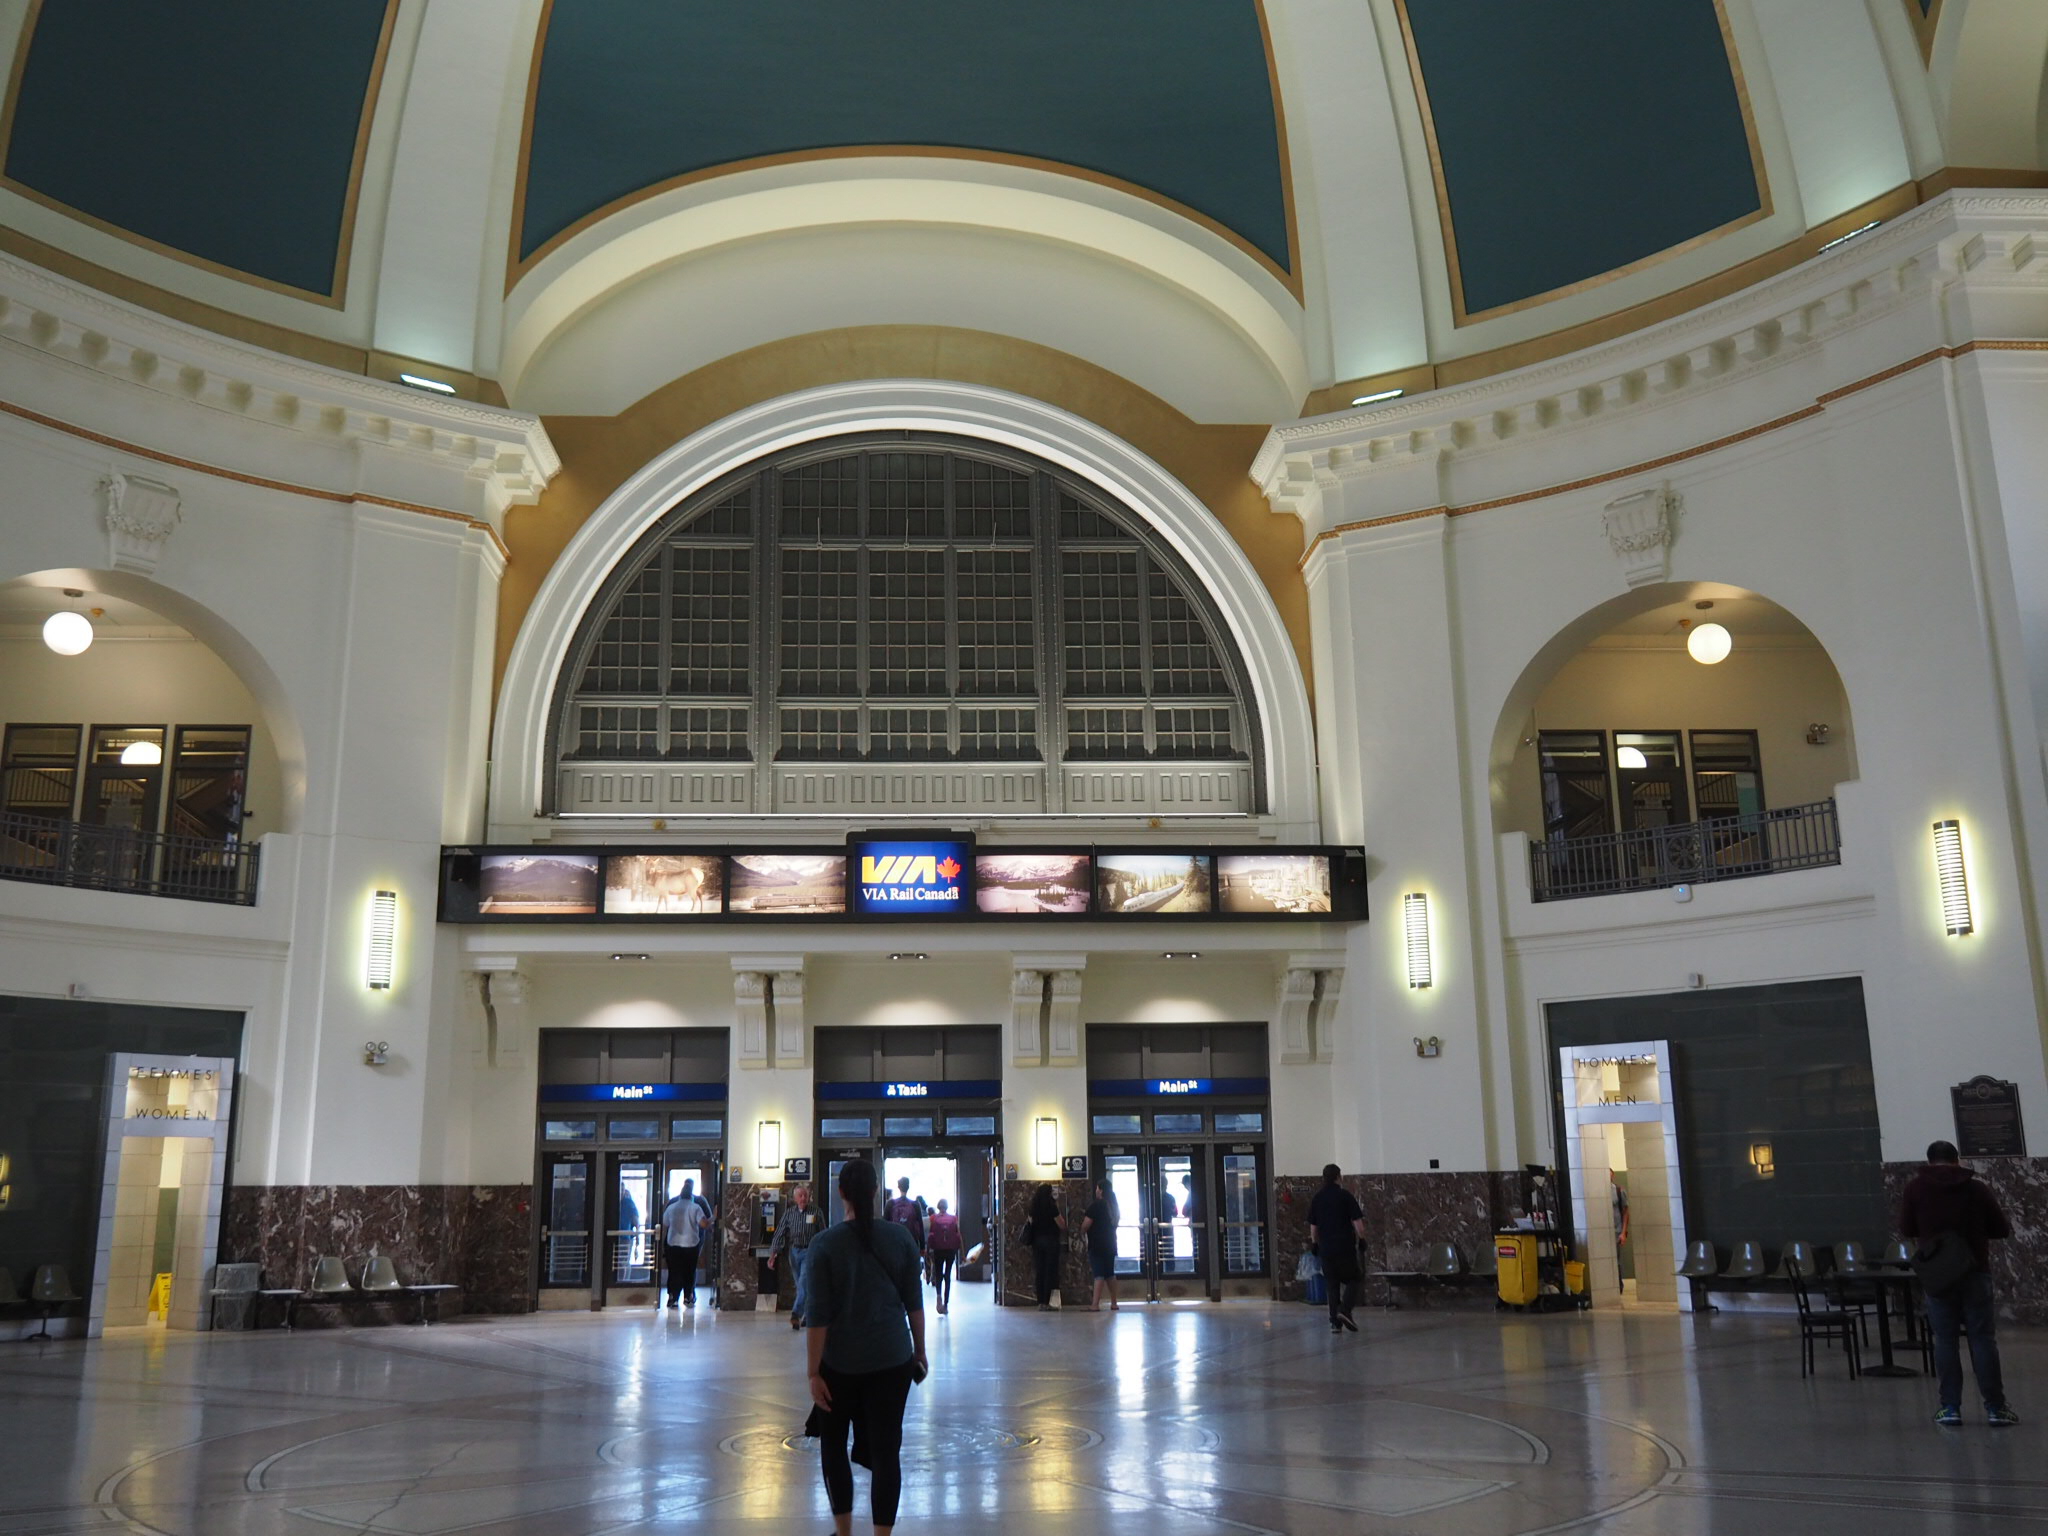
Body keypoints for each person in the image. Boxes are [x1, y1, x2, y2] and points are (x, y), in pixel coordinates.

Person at [805, 1158, 926, 1536]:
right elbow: (914, 1304)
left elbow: (817, 1317)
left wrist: (813, 1372)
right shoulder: (900, 1239)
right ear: (877, 1193)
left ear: (841, 1193)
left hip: (839, 1365)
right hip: (892, 1360)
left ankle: (844, 1532)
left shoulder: (824, 1245)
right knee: (887, 1452)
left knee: (834, 1448)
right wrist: (919, 1353)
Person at [1899, 1139, 2020, 1426]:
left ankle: (1950, 1408)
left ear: (1929, 1161)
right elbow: (2000, 1229)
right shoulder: (1975, 1189)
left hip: (1938, 1276)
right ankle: (1996, 1408)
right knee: (1982, 1339)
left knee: (1945, 1339)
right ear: (1957, 1159)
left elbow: (1906, 1228)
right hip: (1975, 1270)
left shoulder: (1915, 1189)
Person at [1308, 1163, 1364, 1334]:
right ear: (1339, 1177)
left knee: (1332, 1284)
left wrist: (1314, 1243)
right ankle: (1345, 1310)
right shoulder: (1345, 1196)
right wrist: (1362, 1239)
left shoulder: (1317, 1198)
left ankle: (1334, 1323)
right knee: (1355, 1278)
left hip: (1326, 1248)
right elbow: (1357, 1222)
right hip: (1344, 1246)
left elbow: (1313, 1226)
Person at [768, 1182, 821, 1331]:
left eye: (805, 1195)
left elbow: (823, 1233)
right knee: (801, 1286)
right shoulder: (789, 1213)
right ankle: (808, 1315)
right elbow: (779, 1233)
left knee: (804, 1283)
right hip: (794, 1252)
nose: (803, 1198)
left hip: (810, 1252)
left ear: (809, 1197)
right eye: (800, 1195)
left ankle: (795, 1314)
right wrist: (773, 1254)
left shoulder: (816, 1212)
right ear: (795, 1198)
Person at [660, 1178, 713, 1309]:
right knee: (689, 1270)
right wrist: (714, 1218)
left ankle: (673, 1297)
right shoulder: (697, 1206)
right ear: (691, 1193)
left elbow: (665, 1223)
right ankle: (688, 1296)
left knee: (674, 1271)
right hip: (691, 1244)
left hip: (673, 1244)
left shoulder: (672, 1205)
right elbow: (704, 1224)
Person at [1082, 1179, 1120, 1312]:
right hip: (1110, 1243)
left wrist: (1082, 1230)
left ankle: (1095, 1304)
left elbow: (1086, 1224)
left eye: (1097, 1188)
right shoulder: (1113, 1205)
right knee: (1110, 1273)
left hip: (1097, 1244)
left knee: (1099, 1274)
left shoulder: (1096, 1205)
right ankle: (1114, 1303)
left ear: (1101, 1190)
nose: (1096, 1190)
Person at [1026, 1182, 1065, 1310]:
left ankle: (1040, 1302)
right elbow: (1061, 1224)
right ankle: (1048, 1302)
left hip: (1037, 1242)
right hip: (1051, 1242)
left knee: (1040, 1271)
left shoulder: (1033, 1207)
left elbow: (1030, 1223)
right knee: (1050, 1272)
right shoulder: (1051, 1206)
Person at [926, 1198, 962, 1314]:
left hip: (938, 1249)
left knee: (938, 1274)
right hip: (951, 1250)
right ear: (946, 1207)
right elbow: (958, 1234)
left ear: (938, 1206)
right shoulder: (953, 1218)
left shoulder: (933, 1218)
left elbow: (930, 1235)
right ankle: (946, 1304)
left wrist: (927, 1250)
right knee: (947, 1275)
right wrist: (962, 1251)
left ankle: (938, 1296)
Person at [887, 1176, 927, 1256]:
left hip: (895, 1243)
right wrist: (922, 1247)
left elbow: (885, 1225)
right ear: (908, 1187)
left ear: (898, 1187)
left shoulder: (891, 1203)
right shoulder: (915, 1204)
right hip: (911, 1242)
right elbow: (920, 1227)